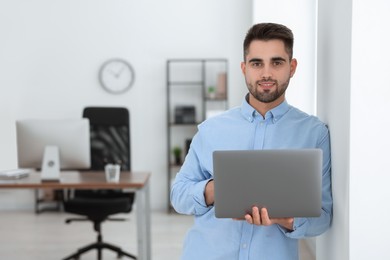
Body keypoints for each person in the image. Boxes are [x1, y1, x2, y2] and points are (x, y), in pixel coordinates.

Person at [170, 22, 332, 260]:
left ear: (292, 67)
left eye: (276, 62)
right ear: (244, 68)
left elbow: (324, 216)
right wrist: (216, 188)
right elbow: (178, 196)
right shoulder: (211, 129)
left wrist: (285, 219)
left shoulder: (314, 134)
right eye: (257, 63)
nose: (266, 73)